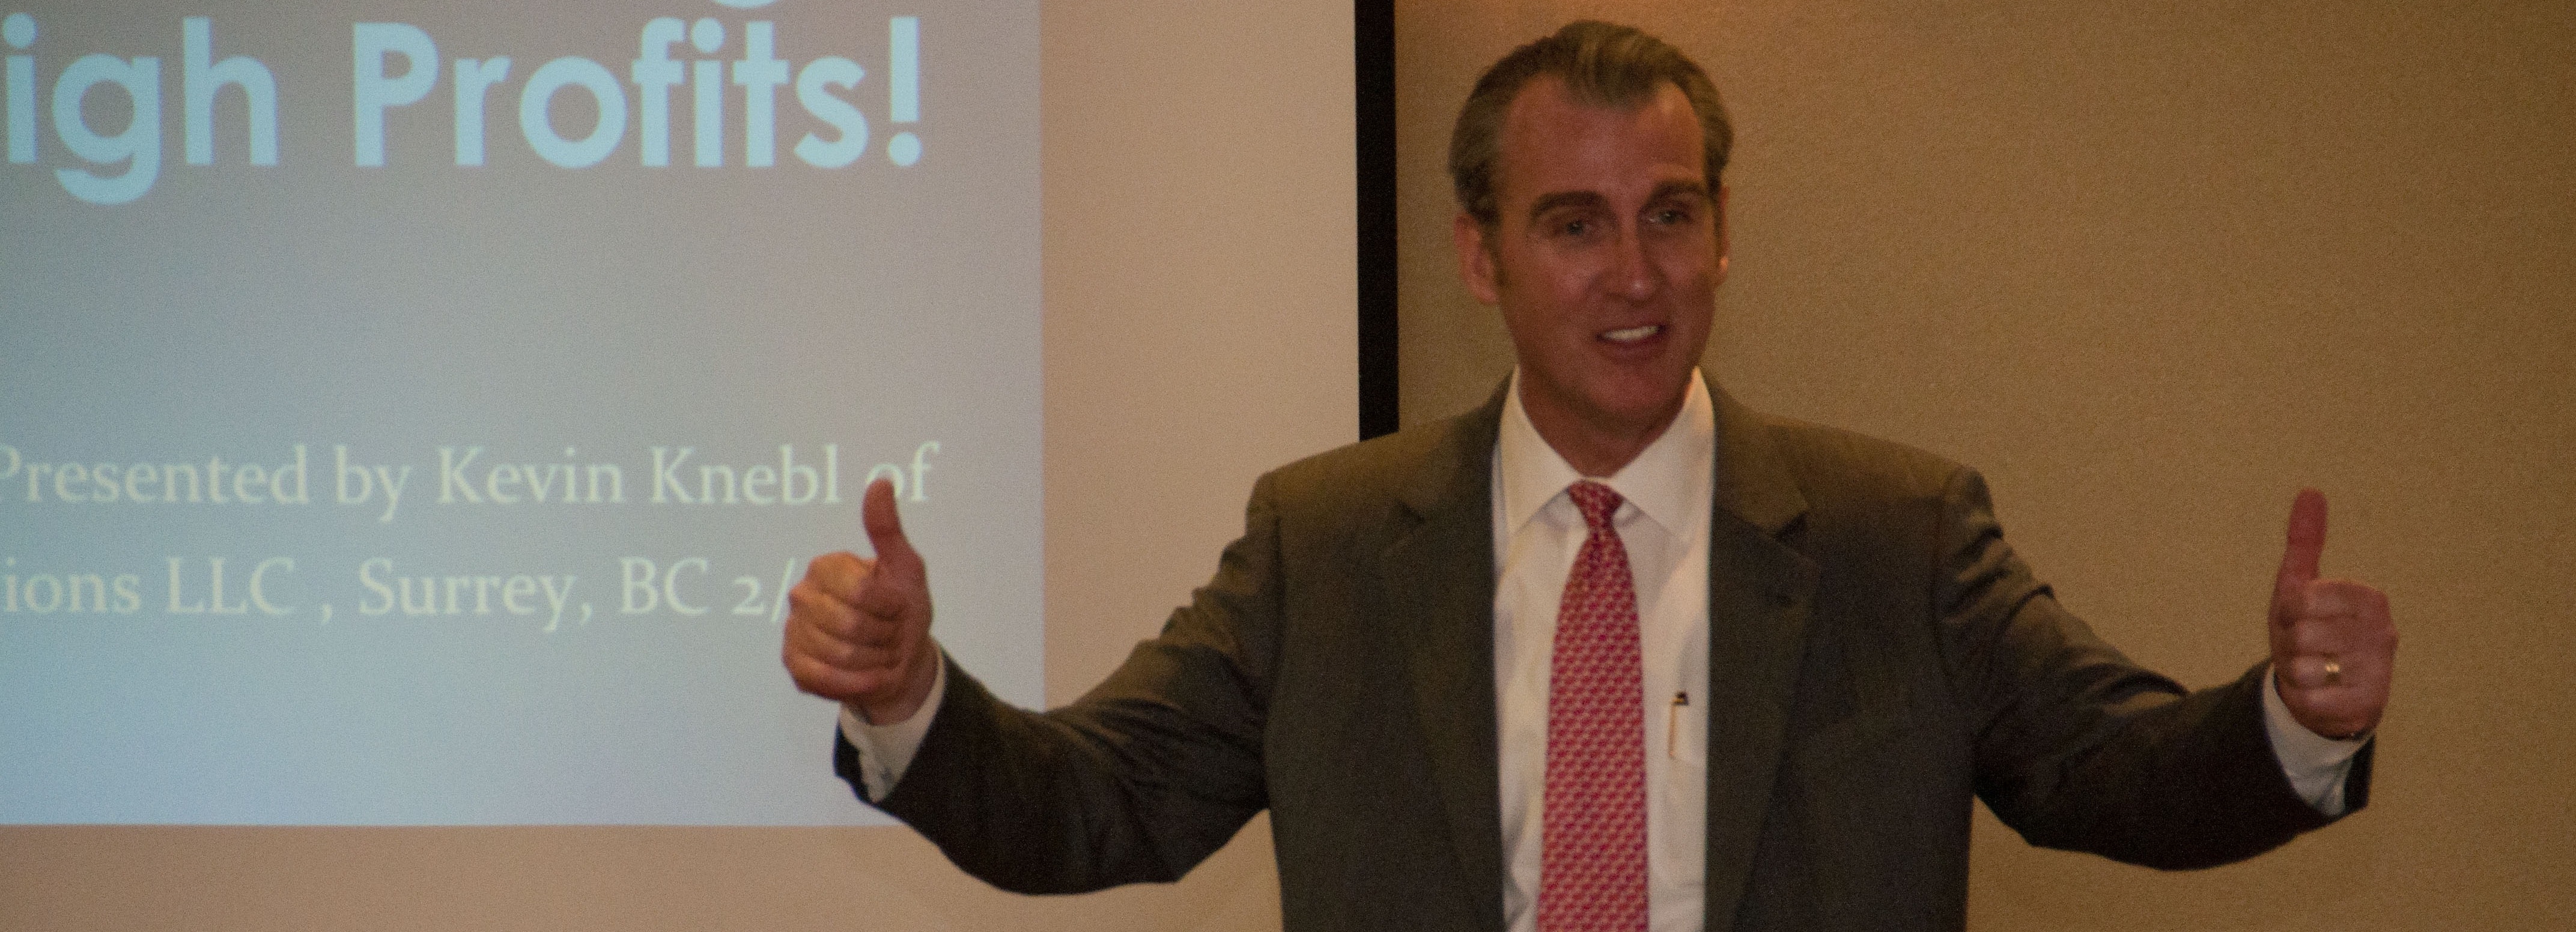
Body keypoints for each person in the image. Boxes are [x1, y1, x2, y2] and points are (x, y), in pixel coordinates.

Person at [781, 20, 2396, 932]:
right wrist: (913, 695)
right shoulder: (1324, 546)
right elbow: (1093, 806)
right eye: (1575, 225)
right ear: (1480, 256)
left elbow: (2117, 775)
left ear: (1722, 234)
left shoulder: (1896, 537)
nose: (1636, 275)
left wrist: (2294, 719)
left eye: (1671, 215)